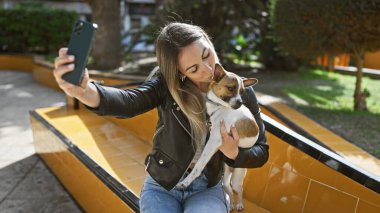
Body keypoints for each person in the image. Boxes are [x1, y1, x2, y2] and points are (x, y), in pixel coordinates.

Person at [53, 22, 269, 213]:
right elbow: (130, 101)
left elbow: (261, 151)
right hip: (162, 186)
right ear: (180, 72)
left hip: (207, 187)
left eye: (206, 55)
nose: (208, 69)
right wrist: (86, 92)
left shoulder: (239, 91)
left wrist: (234, 154)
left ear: (209, 42)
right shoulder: (166, 85)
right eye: (193, 68)